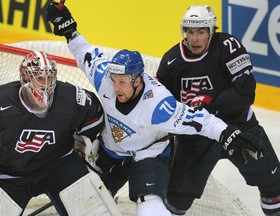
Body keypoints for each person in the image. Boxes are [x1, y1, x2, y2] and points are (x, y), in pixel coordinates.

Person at [46, 2, 263, 215]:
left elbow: (198, 119)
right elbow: (86, 53)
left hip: (148, 154)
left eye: (122, 82)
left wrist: (228, 134)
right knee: (83, 205)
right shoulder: (105, 77)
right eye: (114, 80)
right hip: (111, 151)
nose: (116, 87)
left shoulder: (158, 105)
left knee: (149, 207)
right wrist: (69, 29)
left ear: (138, 80)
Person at [156, 4, 280, 216]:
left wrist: (209, 102)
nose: (195, 39)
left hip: (239, 126)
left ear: (211, 32)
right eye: (191, 32)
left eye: (201, 32)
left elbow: (247, 92)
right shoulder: (171, 62)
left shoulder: (227, 46)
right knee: (176, 200)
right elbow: (163, 107)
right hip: (197, 136)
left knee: (274, 186)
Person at [0, 50, 104, 215]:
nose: (46, 83)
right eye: (39, 77)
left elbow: (95, 115)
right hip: (9, 175)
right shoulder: (0, 99)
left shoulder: (71, 97)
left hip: (59, 167)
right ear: (25, 77)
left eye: (49, 77)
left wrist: (86, 141)